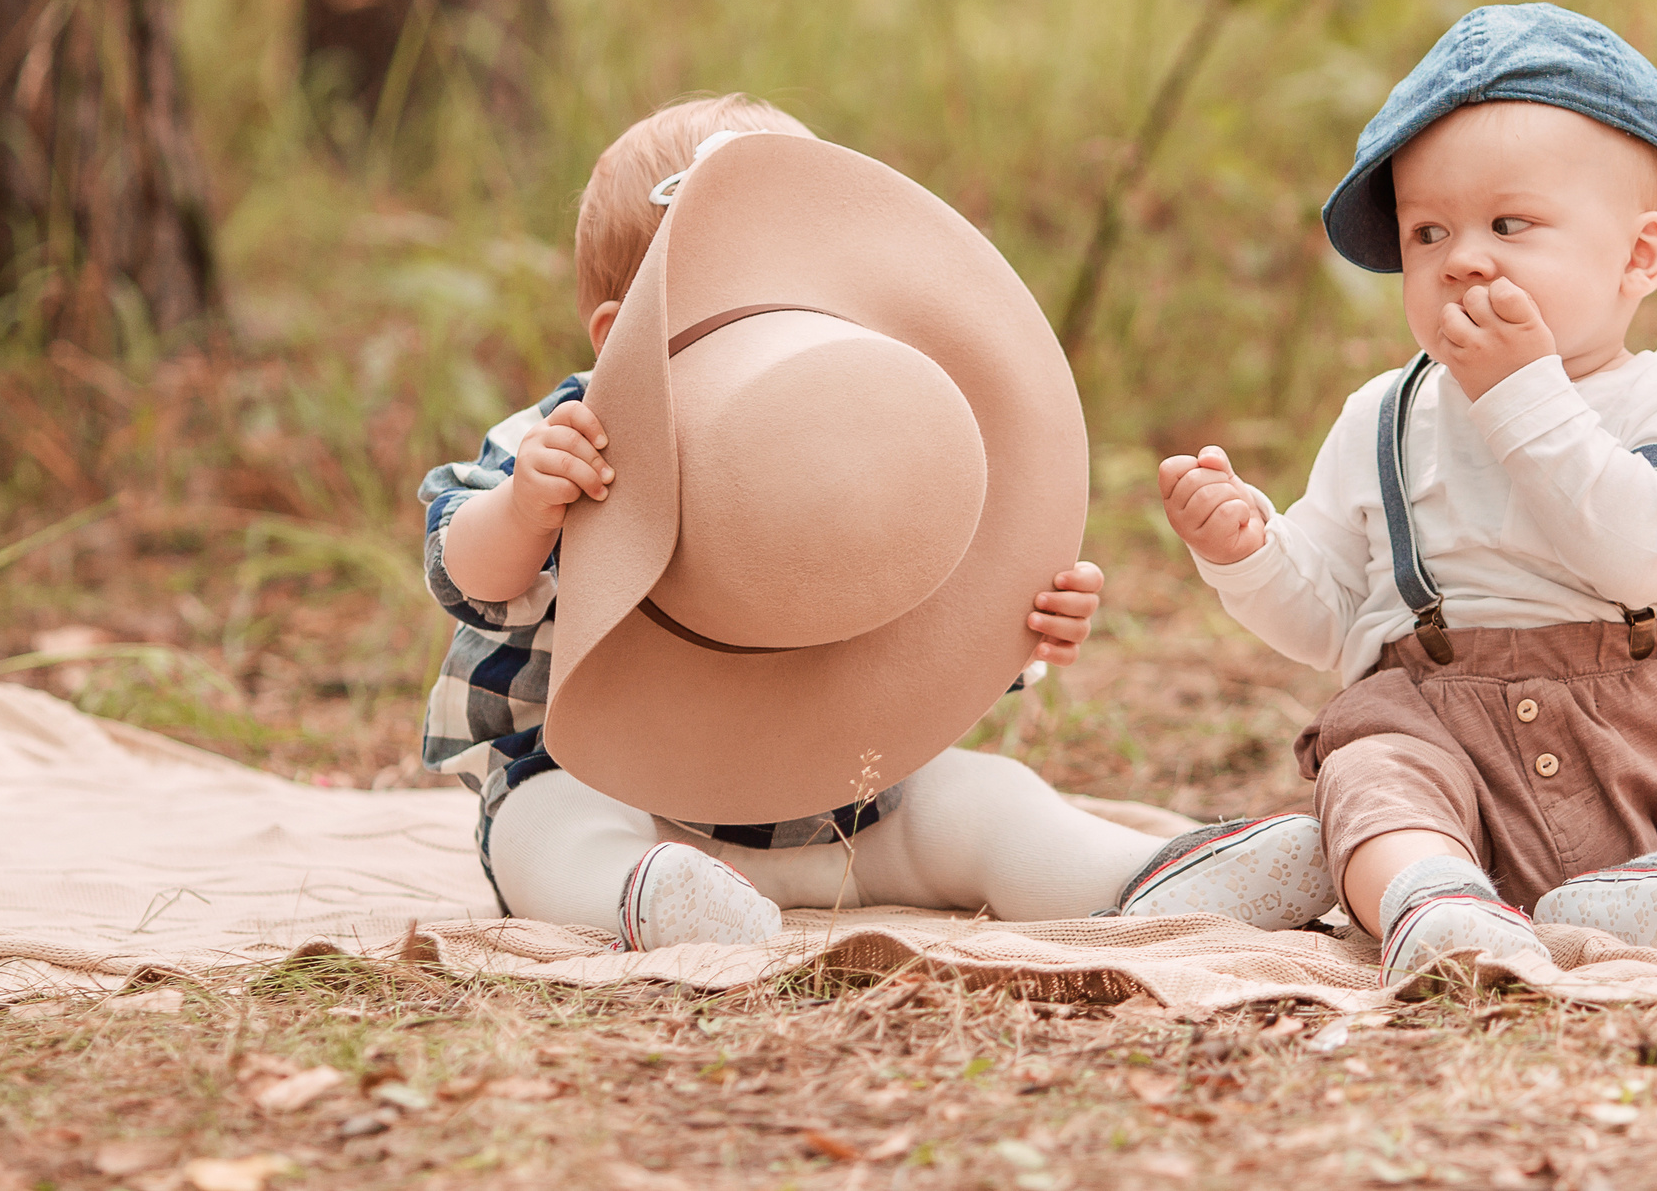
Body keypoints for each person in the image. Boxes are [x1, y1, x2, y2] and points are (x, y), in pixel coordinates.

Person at [423, 95, 1336, 949]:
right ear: (617, 334)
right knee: (546, 825)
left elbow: (927, 630)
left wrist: (1024, 626)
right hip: (622, 794)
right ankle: (650, 897)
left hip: (850, 806)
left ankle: (1143, 877)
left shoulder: (870, 420)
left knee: (990, 802)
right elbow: (468, 575)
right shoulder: (563, 441)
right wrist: (524, 510)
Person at [1157, 5, 1657, 982]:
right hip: (1445, 757)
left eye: (1510, 225)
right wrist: (1246, 554)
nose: (1462, 258)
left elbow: (1640, 556)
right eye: (1428, 232)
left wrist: (1519, 392)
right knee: (1370, 769)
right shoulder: (1384, 416)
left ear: (1639, 256)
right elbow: (1336, 623)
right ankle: (1432, 899)